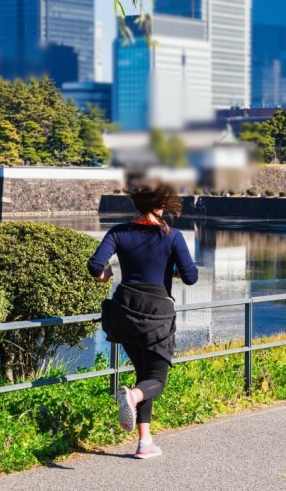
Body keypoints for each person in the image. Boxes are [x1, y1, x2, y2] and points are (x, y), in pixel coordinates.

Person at [87, 182, 198, 459]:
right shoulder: (172, 236)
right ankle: (134, 398)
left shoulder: (119, 232)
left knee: (143, 376)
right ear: (162, 205)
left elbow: (94, 266)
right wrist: (170, 270)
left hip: (125, 312)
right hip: (157, 315)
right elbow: (191, 277)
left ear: (137, 204)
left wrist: (107, 274)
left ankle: (144, 442)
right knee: (156, 381)